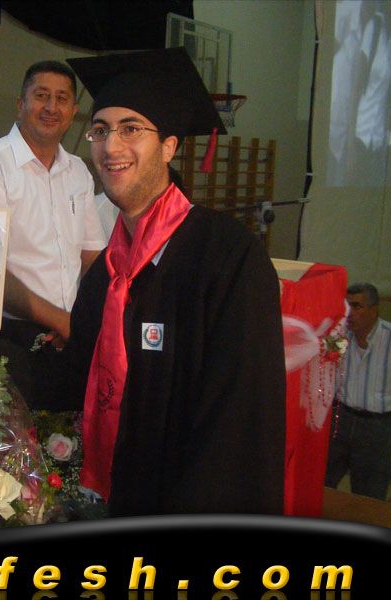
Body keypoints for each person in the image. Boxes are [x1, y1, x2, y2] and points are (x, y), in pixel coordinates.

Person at [60, 47, 286, 516]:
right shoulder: (105, 275)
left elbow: (239, 423)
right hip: (111, 504)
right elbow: (71, 384)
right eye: (100, 130)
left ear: (169, 146)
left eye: (131, 129)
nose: (111, 147)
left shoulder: (227, 257)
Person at [0, 60, 106, 407]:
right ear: (20, 104)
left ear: (73, 111)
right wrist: (63, 321)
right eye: (41, 96)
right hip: (5, 337)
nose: (51, 107)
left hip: (66, 335)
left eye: (62, 99)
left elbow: (92, 257)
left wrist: (90, 319)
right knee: (13, 437)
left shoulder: (78, 172)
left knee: (66, 431)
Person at [325, 283, 391, 500]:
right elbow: (322, 365)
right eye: (346, 306)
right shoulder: (339, 337)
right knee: (322, 483)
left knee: (369, 494)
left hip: (377, 427)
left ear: (374, 310)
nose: (349, 313)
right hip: (340, 419)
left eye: (356, 306)